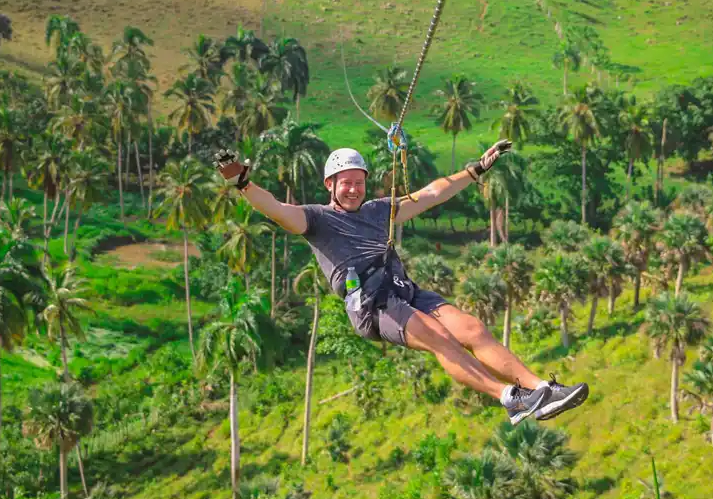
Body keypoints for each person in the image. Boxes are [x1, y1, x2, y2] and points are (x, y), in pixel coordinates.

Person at [214, 140, 588, 425]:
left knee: (471, 328)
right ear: (330, 185)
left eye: (358, 183)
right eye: (345, 184)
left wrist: (475, 170)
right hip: (374, 306)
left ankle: (541, 389)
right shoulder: (316, 221)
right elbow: (277, 209)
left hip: (403, 291)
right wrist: (244, 184)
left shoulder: (379, 210)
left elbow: (430, 194)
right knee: (438, 337)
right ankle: (510, 397)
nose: (353, 190)